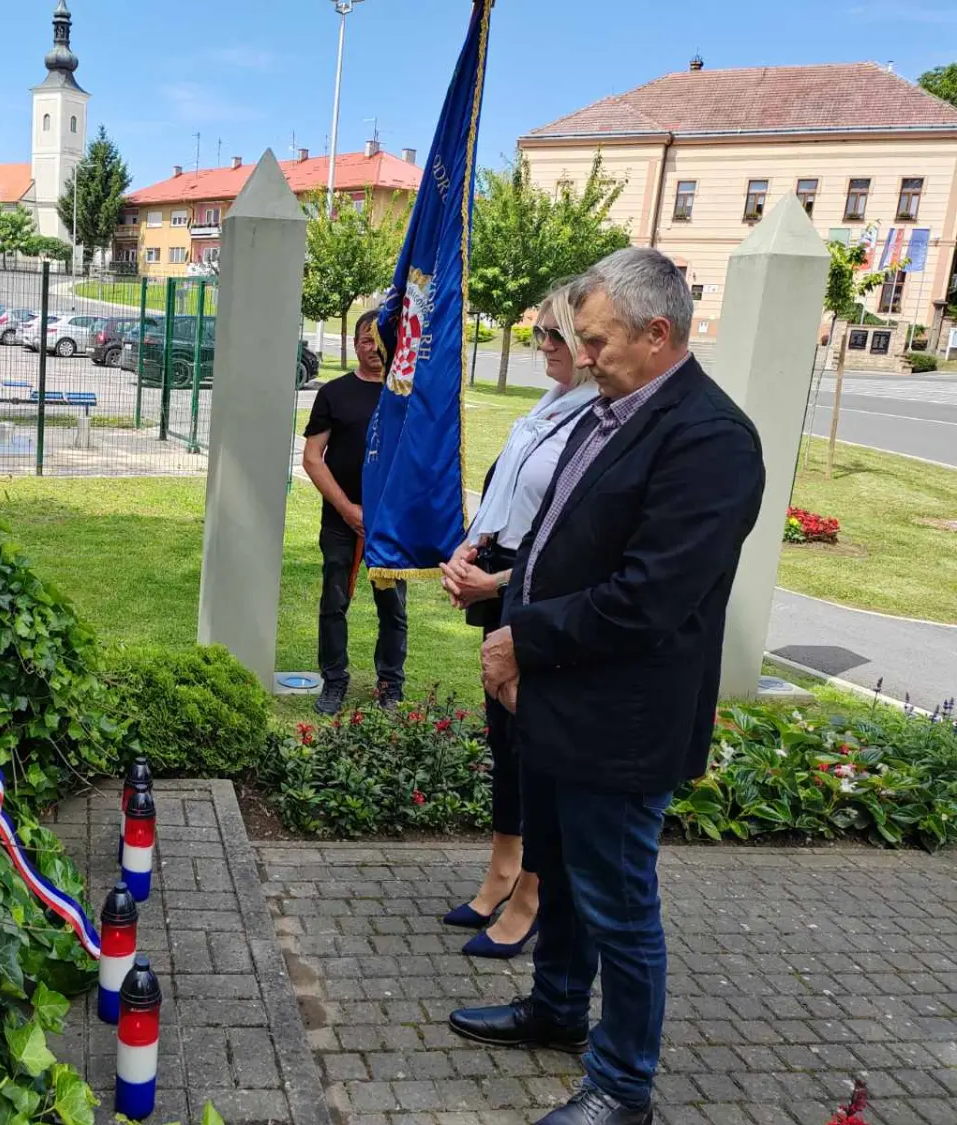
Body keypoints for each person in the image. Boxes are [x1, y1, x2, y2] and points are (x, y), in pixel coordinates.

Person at [447, 248, 766, 1125]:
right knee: (557, 868)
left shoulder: (711, 438)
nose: (581, 357)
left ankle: (623, 1086)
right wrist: (512, 602)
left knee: (619, 905)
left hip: (623, 719)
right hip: (560, 695)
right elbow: (558, 542)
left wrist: (522, 636)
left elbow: (647, 598)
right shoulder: (611, 411)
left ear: (657, 333)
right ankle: (556, 1008)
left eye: (595, 341)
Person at [438, 281, 597, 959]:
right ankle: (502, 869)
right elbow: (508, 493)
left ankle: (531, 893)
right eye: (540, 333)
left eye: (556, 335)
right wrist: (469, 549)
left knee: (536, 747)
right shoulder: (549, 405)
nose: (544, 346)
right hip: (505, 575)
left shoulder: (596, 418)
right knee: (504, 740)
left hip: (540, 592)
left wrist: (496, 579)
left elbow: (572, 543)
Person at [302, 309, 407, 715]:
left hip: (390, 524)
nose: (374, 348)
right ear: (355, 344)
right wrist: (347, 510)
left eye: (381, 340)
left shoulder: (405, 396)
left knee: (393, 608)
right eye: (366, 340)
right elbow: (313, 458)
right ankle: (334, 681)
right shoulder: (334, 393)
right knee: (334, 602)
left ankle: (390, 686)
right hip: (341, 521)